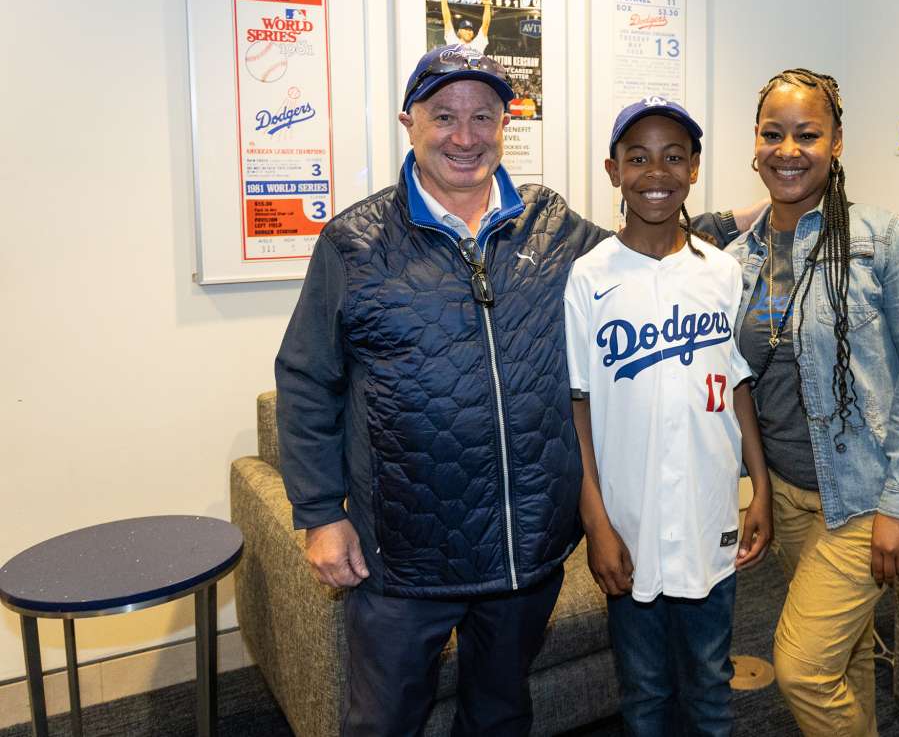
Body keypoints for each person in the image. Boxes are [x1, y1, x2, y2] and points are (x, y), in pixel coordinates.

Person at [274, 44, 755, 737]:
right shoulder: (355, 241)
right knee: (382, 723)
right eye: (444, 116)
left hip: (520, 554)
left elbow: (644, 243)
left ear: (506, 124)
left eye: (482, 116)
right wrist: (320, 512)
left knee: (500, 716)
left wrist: (758, 211)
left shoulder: (553, 227)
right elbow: (306, 378)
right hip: (405, 553)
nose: (464, 136)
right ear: (409, 121)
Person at [726, 68, 899, 736]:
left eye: (807, 133)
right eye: (774, 134)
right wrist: (761, 490)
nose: (789, 149)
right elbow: (746, 384)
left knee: (800, 668)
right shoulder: (739, 256)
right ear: (756, 144)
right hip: (791, 498)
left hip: (862, 496)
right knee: (847, 659)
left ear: (838, 143)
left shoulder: (880, 240)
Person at [565, 99, 773, 737]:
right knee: (646, 693)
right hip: (631, 521)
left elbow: (738, 384)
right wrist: (595, 519)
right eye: (638, 158)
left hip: (710, 511)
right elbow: (578, 403)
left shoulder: (723, 271)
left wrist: (759, 486)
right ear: (613, 170)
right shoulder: (588, 277)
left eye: (673, 156)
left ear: (694, 169)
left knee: (711, 686)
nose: (656, 171)